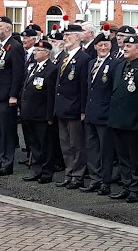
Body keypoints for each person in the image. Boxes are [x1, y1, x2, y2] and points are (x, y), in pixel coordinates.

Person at [108, 35, 138, 203]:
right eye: (124, 46)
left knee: (135, 158)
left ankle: (136, 189)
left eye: (129, 47)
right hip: (119, 119)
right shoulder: (121, 66)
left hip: (134, 121)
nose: (124, 48)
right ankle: (126, 186)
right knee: (122, 157)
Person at [0, 16, 24, 176]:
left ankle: (7, 163)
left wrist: (13, 95)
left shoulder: (15, 47)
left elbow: (17, 73)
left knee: (6, 130)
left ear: (8, 28)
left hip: (6, 96)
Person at [81, 33, 120, 195]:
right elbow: (87, 90)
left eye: (106, 45)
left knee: (106, 151)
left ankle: (105, 182)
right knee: (92, 148)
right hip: (91, 113)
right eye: (100, 45)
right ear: (95, 47)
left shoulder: (116, 64)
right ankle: (95, 179)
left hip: (105, 114)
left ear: (110, 46)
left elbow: (115, 91)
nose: (103, 48)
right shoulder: (91, 63)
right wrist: (84, 111)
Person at [54, 24, 91, 189]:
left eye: (68, 35)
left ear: (78, 37)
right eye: (65, 35)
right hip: (62, 106)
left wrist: (83, 110)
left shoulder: (84, 59)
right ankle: (69, 173)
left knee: (77, 145)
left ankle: (78, 175)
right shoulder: (64, 57)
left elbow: (84, 87)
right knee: (65, 144)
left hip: (74, 107)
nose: (65, 38)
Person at [20, 40, 58, 184]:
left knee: (45, 145)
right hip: (29, 112)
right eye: (34, 50)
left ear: (47, 53)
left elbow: (51, 95)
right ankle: (37, 169)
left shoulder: (51, 69)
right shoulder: (33, 67)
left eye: (38, 50)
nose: (34, 53)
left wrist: (50, 116)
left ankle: (47, 172)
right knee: (33, 144)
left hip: (42, 114)